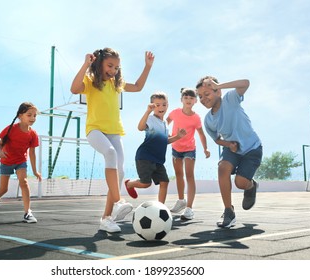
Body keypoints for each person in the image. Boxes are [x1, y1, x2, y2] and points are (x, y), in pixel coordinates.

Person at [70, 47, 155, 233]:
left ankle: (106, 218)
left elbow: (138, 87)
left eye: (116, 67)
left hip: (114, 131)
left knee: (120, 172)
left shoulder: (117, 85)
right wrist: (86, 64)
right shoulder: (91, 82)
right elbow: (74, 89)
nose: (113, 70)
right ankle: (118, 201)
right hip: (95, 130)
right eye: (110, 66)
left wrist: (147, 66)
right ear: (99, 64)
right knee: (110, 153)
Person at [196, 76, 262, 228]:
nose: (203, 99)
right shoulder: (208, 120)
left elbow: (246, 83)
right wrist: (228, 144)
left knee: (240, 183)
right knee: (222, 168)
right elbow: (217, 139)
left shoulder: (230, 99)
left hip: (252, 148)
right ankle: (228, 211)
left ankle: (251, 186)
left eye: (207, 94)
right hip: (232, 149)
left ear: (218, 92)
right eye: (200, 96)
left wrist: (220, 85)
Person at [125, 91, 186, 204]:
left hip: (158, 160)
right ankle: (129, 184)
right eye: (157, 105)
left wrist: (177, 137)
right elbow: (140, 127)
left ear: (167, 105)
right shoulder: (150, 119)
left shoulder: (165, 124)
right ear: (152, 107)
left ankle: (160, 207)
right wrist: (147, 112)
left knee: (164, 182)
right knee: (146, 183)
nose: (161, 107)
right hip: (145, 157)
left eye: (164, 104)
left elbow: (165, 141)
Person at [0, 102, 42, 223]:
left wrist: (35, 171)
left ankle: (28, 213)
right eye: (29, 115)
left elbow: (32, 153)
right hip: (6, 161)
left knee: (24, 183)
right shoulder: (10, 129)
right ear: (20, 116)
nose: (33, 118)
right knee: (3, 189)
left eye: (35, 115)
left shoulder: (33, 134)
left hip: (20, 161)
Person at [166, 88, 210, 220]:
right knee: (179, 174)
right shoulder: (175, 113)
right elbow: (164, 123)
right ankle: (181, 201)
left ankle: (189, 208)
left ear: (195, 101)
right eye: (186, 98)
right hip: (176, 148)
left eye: (191, 98)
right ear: (181, 100)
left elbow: (201, 134)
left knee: (189, 175)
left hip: (189, 149)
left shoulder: (196, 118)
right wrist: (166, 134)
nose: (188, 100)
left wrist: (205, 148)